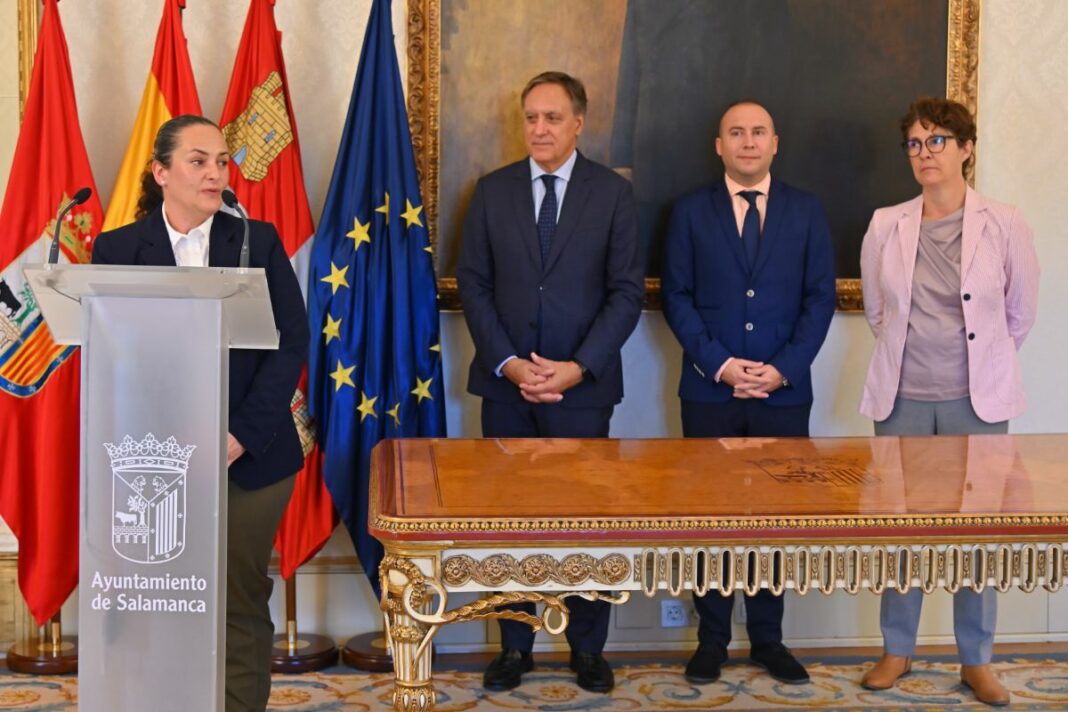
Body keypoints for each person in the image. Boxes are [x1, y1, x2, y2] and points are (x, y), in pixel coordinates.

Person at [92, 115, 309, 712]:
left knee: (236, 600)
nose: (216, 172)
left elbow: (291, 343)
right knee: (164, 599)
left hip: (252, 457)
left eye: (221, 161)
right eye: (198, 160)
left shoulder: (256, 241)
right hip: (153, 464)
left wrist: (236, 435)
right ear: (161, 172)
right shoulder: (115, 249)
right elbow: (116, 359)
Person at [456, 71, 644, 694]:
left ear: (579, 122)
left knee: (587, 521)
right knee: (507, 523)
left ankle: (588, 649)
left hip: (582, 390)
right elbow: (473, 285)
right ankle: (516, 647)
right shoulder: (491, 191)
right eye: (531, 117)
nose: (539, 128)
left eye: (552, 118)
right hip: (505, 387)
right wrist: (510, 363)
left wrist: (578, 366)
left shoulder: (612, 195)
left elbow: (624, 292)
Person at [858, 96, 1039, 707]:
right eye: (914, 143)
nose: (924, 153)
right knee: (900, 529)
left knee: (976, 534)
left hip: (978, 402)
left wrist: (975, 367)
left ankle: (976, 659)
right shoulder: (887, 222)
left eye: (937, 141)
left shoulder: (1005, 222)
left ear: (966, 149)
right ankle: (896, 649)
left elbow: (1018, 315)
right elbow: (878, 314)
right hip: (902, 399)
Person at [661, 100, 836, 686]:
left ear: (775, 142)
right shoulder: (688, 212)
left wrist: (782, 370)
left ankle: (769, 640)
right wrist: (720, 364)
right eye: (736, 133)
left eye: (758, 132)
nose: (748, 141)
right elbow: (676, 298)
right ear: (719, 145)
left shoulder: (808, 211)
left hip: (783, 396)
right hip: (710, 392)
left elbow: (819, 301)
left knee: (775, 521)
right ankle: (711, 640)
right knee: (706, 521)